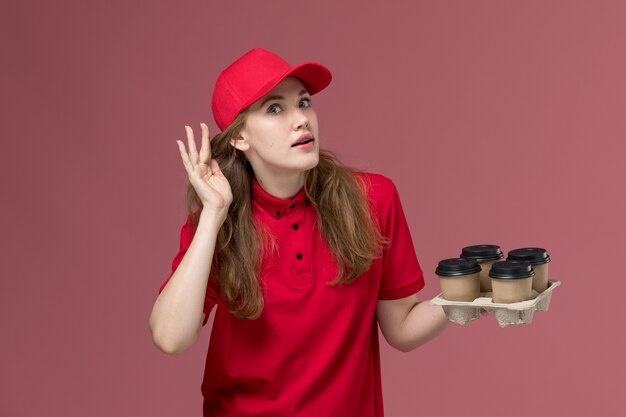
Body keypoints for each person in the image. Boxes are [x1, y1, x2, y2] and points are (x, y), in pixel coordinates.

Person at [149, 47, 449, 417]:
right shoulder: (216, 225)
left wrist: (468, 297)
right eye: (276, 109)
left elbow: (401, 328)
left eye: (304, 103)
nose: (301, 120)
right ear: (240, 137)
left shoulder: (374, 200)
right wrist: (212, 215)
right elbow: (170, 338)